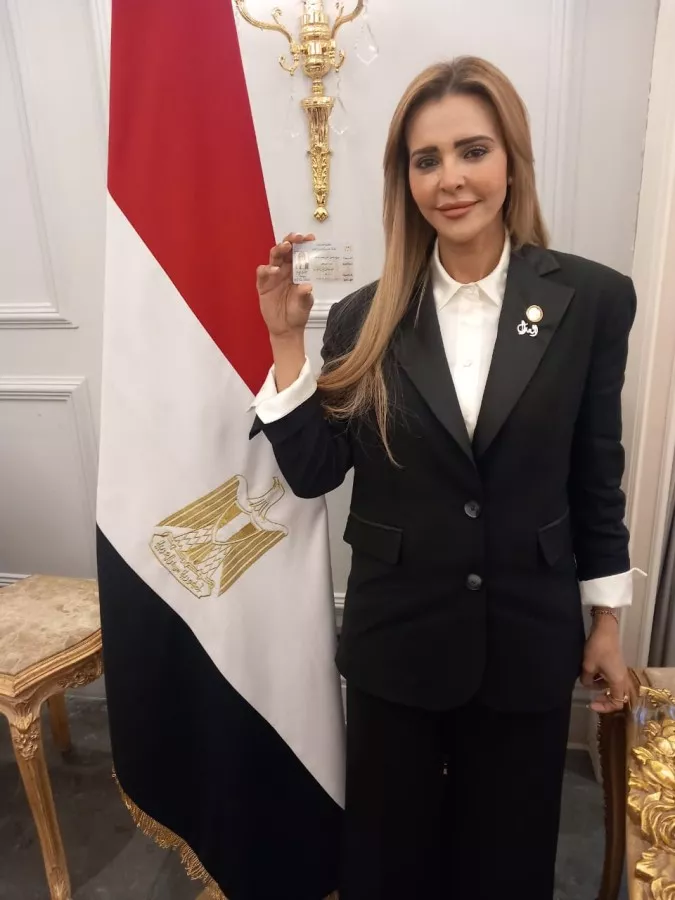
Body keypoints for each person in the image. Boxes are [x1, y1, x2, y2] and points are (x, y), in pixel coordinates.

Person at [251, 56, 636, 900]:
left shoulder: (592, 300)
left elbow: (594, 473)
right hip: (398, 639)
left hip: (527, 635)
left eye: (472, 151)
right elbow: (314, 473)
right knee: (390, 862)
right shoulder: (366, 316)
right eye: (426, 160)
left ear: (511, 161)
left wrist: (605, 619)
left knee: (506, 862)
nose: (450, 179)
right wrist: (285, 343)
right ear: (405, 181)